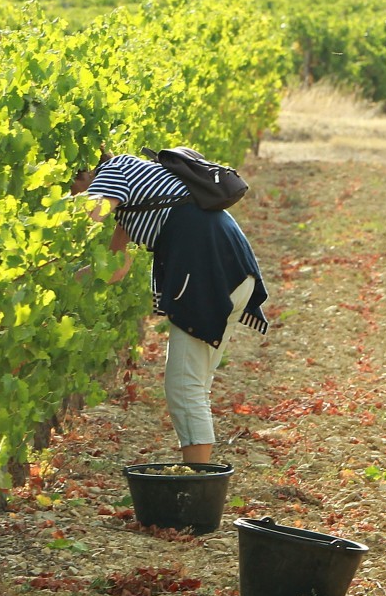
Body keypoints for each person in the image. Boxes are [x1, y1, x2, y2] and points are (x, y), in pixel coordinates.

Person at [79, 153, 270, 464]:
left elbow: (94, 212)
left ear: (83, 174)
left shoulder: (114, 170)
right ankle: (198, 478)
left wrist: (51, 213)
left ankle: (197, 484)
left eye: (72, 186)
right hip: (228, 269)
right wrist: (63, 279)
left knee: (184, 387)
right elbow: (115, 269)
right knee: (193, 384)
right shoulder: (136, 186)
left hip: (210, 274)